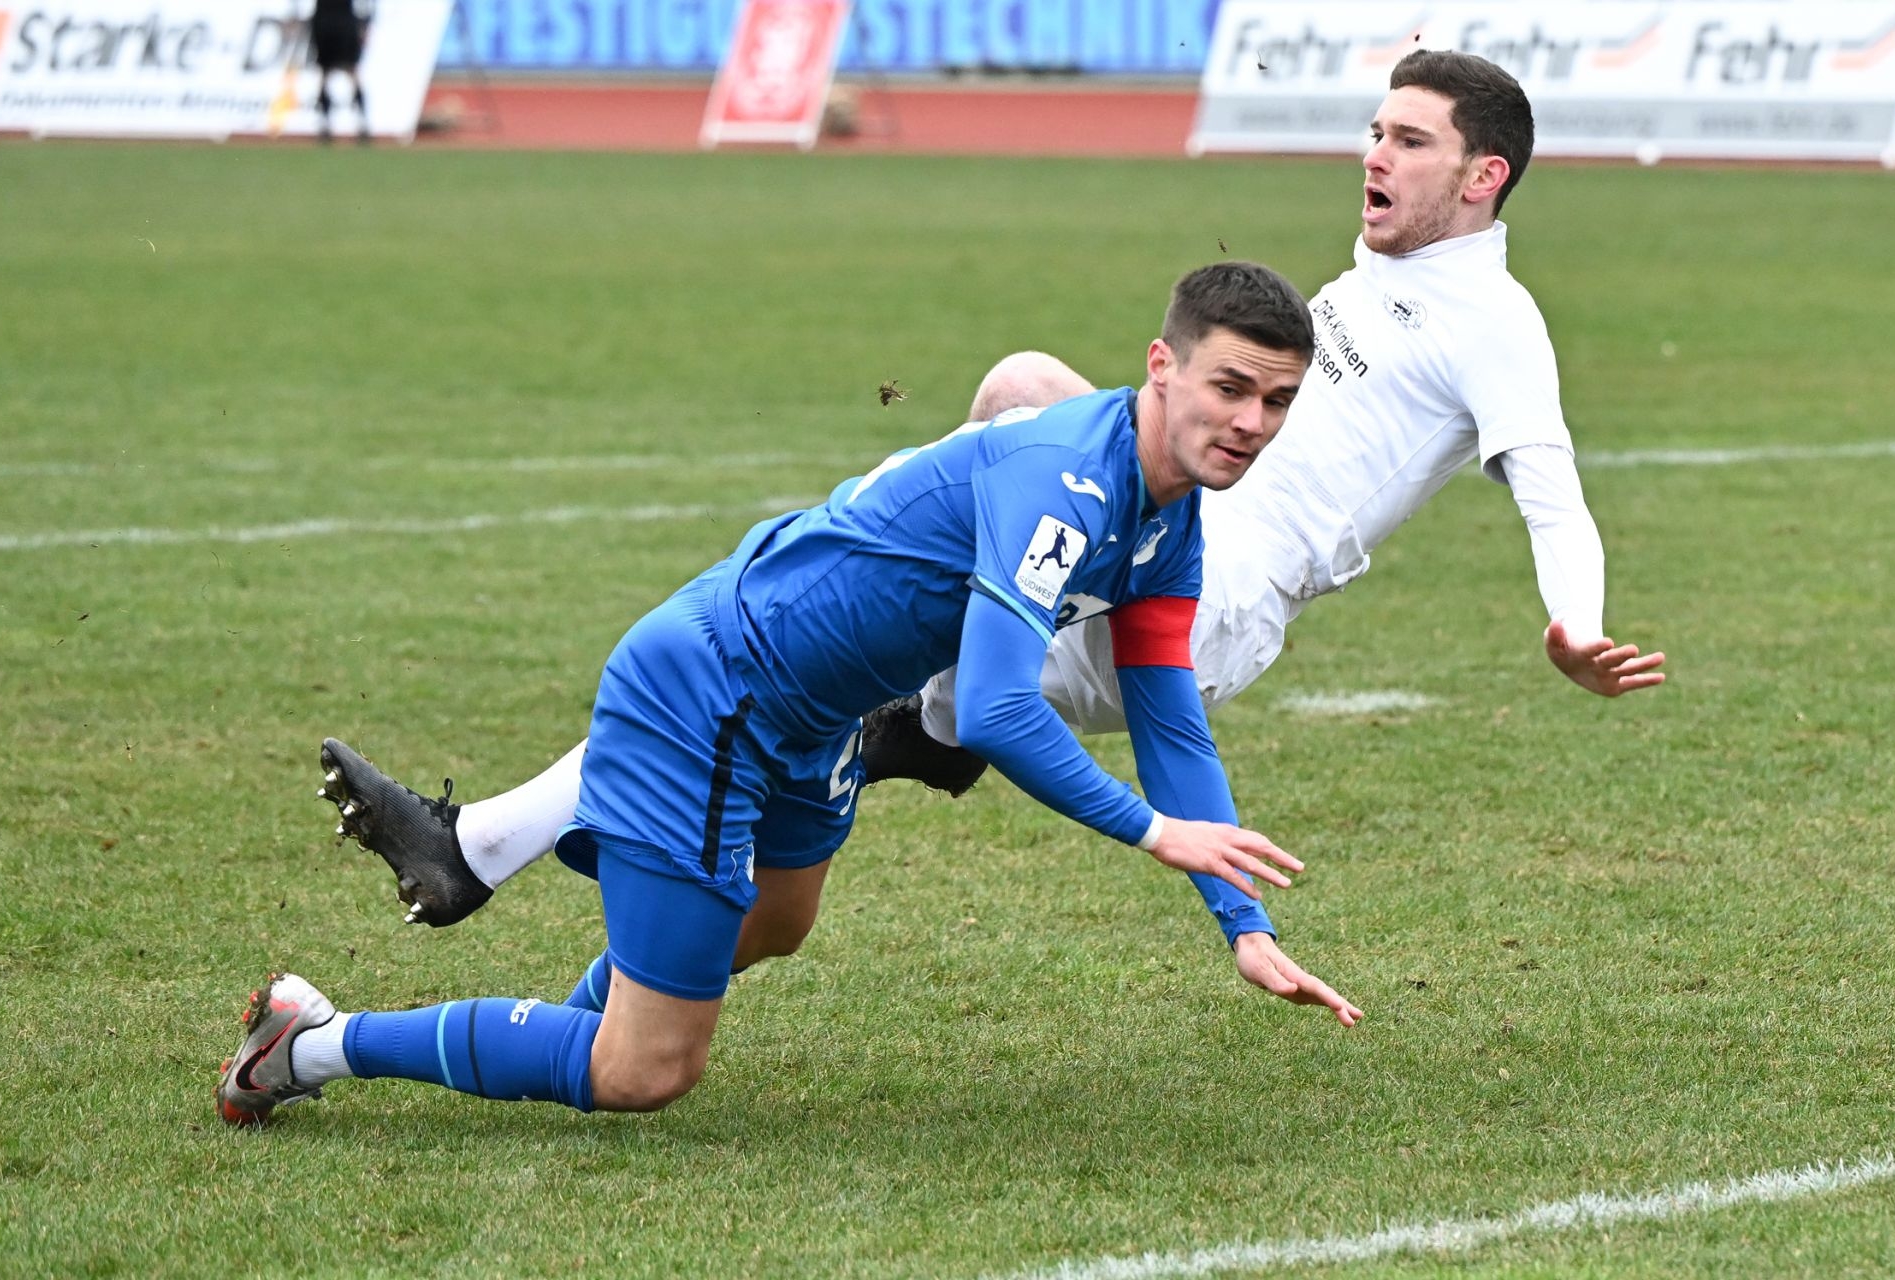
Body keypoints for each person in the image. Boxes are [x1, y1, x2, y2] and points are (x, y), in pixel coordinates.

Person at [307, 48, 1665, 934]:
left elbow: (1551, 486)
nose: (1374, 154)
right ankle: (919, 721)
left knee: (789, 650)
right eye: (1373, 130)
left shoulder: (1497, 323)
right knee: (1012, 392)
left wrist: (1576, 625)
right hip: (1169, 531)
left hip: (1214, 598)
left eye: (1409, 141)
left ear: (1483, 177)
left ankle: (498, 841)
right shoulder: (1387, 271)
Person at [218, 261, 1361, 1128]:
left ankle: (571, 1009)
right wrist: (1153, 831)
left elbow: (1168, 717)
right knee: (647, 1072)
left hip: (810, 715)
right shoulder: (1066, 480)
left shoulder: (1169, 521)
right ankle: (310, 1042)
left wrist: (1244, 926)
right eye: (1230, 387)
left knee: (776, 917)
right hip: (711, 691)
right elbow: (998, 708)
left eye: (1276, 400)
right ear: (1161, 366)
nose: (1251, 423)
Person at [309, 0, 370, 144]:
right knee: (348, 72)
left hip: (327, 20)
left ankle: (326, 124)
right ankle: (361, 123)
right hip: (341, 21)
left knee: (327, 73)